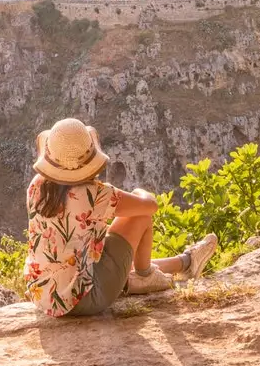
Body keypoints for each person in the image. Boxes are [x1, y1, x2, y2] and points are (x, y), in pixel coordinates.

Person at [23, 117, 219, 318]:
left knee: (109, 254)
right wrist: (141, 191)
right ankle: (145, 276)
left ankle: (185, 262)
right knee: (140, 217)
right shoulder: (95, 194)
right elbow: (150, 206)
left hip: (42, 295)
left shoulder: (37, 186)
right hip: (81, 300)